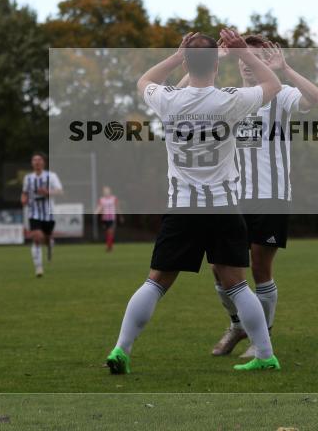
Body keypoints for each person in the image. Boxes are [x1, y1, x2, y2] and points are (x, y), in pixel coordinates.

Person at [105, 29, 282, 374]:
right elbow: (273, 85)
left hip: (183, 206)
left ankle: (121, 350)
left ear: (187, 63)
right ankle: (265, 355)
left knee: (155, 282)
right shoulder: (230, 100)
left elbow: (144, 81)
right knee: (238, 285)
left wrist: (177, 55)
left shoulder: (169, 100)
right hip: (223, 206)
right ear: (216, 65)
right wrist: (242, 52)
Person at [209, 35, 318, 359]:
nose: (248, 64)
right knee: (219, 266)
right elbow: (188, 98)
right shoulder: (233, 97)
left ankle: (263, 337)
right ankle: (237, 325)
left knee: (260, 267)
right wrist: (212, 59)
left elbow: (316, 98)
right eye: (243, 58)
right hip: (233, 196)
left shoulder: (282, 95)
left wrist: (285, 69)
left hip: (271, 196)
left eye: (255, 58)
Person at [21, 152, 63, 277]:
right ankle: (38, 268)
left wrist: (48, 192)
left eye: (39, 160)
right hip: (33, 212)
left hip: (49, 213)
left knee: (47, 239)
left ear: (44, 162)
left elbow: (60, 191)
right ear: (32, 163)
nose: (37, 162)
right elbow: (24, 193)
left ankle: (50, 244)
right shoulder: (28, 178)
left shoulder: (51, 176)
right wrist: (23, 199)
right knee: (37, 238)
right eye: (34, 160)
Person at [95, 186, 123, 252]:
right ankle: (110, 246)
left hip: (112, 218)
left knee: (111, 232)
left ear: (110, 191)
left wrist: (120, 216)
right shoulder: (101, 199)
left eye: (107, 191)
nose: (106, 192)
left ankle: (109, 247)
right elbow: (100, 207)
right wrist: (96, 212)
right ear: (103, 192)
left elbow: (117, 207)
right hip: (104, 218)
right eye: (105, 191)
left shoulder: (114, 198)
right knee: (108, 233)